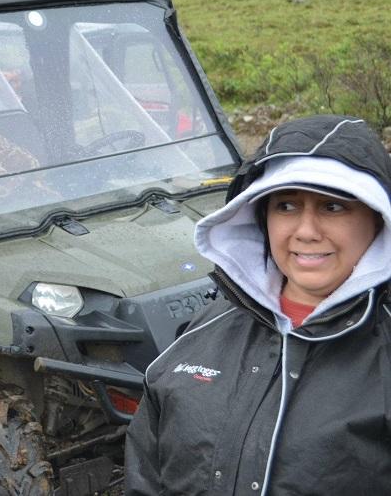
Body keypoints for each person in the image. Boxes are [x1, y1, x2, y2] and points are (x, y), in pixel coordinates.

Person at [126, 114, 391, 495]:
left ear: (378, 220)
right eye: (286, 205)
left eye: (334, 207)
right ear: (260, 216)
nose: (306, 231)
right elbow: (147, 474)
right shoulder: (204, 332)